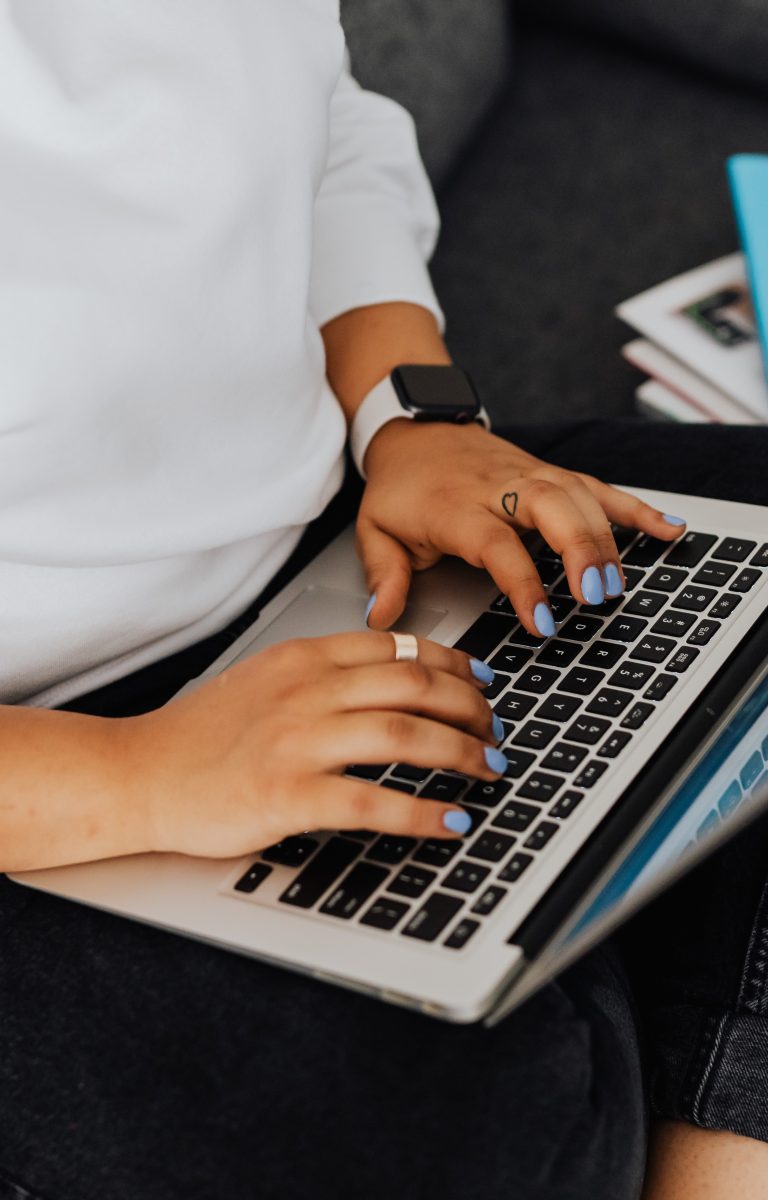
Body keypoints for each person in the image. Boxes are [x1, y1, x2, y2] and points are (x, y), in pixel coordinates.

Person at [0, 3, 767, 1197]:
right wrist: (137, 778)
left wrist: (416, 421)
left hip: (330, 545)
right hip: (59, 758)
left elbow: (327, 129)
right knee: (499, 1125)